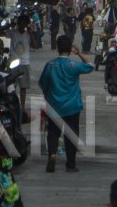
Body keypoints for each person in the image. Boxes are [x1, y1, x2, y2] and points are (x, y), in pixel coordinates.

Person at [38, 34, 94, 173]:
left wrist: (47, 97)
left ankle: (52, 155)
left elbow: (43, 84)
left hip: (54, 105)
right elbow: (91, 65)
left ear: (57, 48)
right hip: (72, 106)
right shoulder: (74, 65)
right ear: (70, 49)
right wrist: (79, 53)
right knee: (71, 135)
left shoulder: (50, 65)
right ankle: (70, 164)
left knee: (52, 132)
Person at [11, 14, 32, 109]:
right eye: (20, 23)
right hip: (14, 62)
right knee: (11, 85)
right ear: (18, 23)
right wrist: (9, 25)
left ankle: (22, 106)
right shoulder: (13, 33)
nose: (22, 26)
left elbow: (35, 45)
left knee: (23, 87)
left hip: (25, 62)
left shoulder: (28, 34)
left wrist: (31, 33)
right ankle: (13, 103)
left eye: (25, 24)